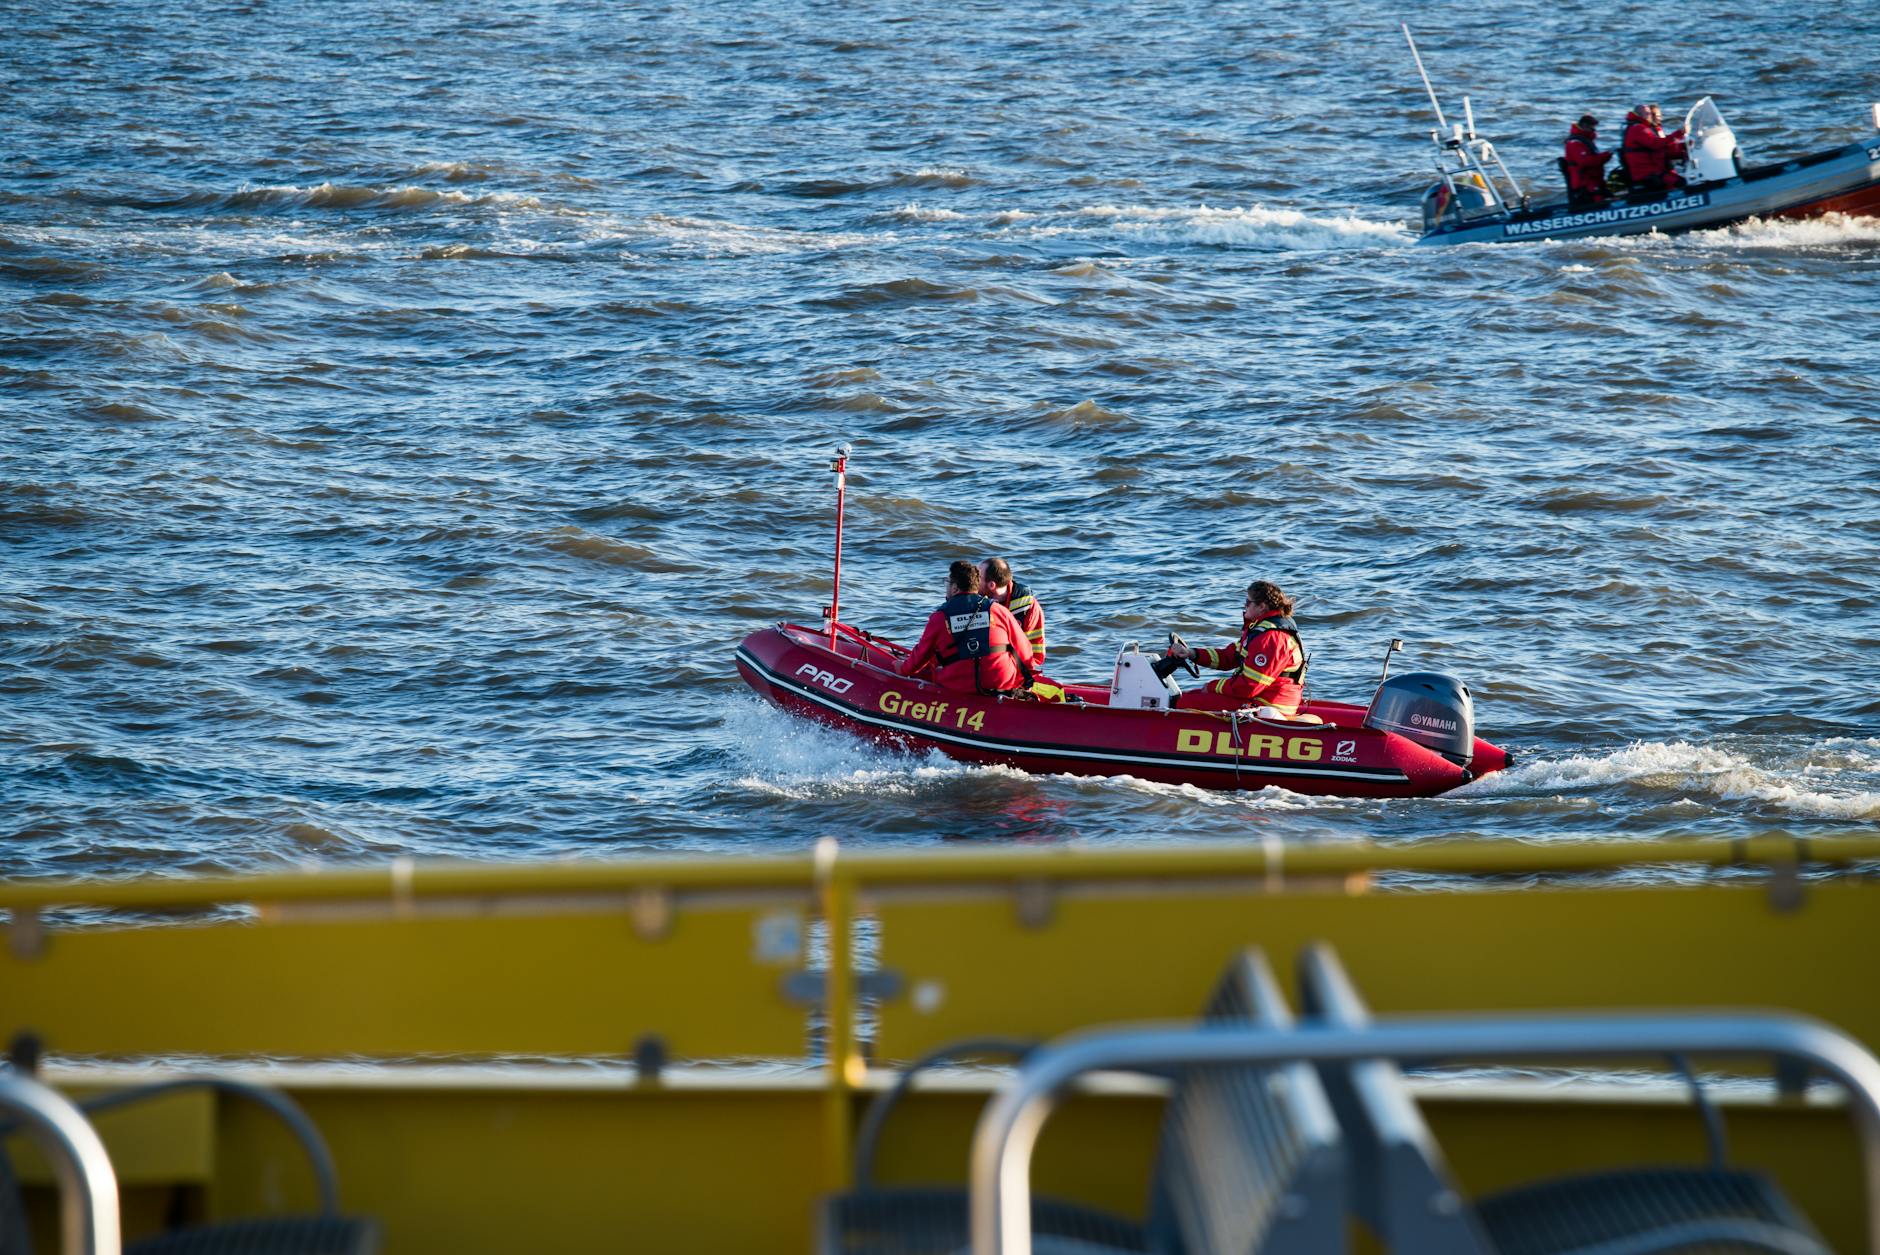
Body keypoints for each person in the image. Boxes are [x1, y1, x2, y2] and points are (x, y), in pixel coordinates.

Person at [1167, 579, 1307, 714]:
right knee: (1193, 695)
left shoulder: (1270, 637)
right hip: (1265, 700)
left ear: (1262, 606)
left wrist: (1212, 686)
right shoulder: (1261, 631)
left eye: (1248, 602)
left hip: (1266, 704)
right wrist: (1191, 653)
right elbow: (1228, 657)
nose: (1244, 605)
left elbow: (1249, 686)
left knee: (1184, 702)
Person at [901, 560, 1038, 695]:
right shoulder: (998, 610)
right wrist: (1027, 680)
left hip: (959, 686)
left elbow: (920, 656)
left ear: (955, 588)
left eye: (947, 583)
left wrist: (902, 668)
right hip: (1001, 681)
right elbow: (1024, 649)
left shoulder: (939, 617)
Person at [978, 557, 1047, 666]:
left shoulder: (1028, 606)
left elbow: (1036, 653)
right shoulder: (976, 601)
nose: (974, 580)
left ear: (991, 585)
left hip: (1017, 669)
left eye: (979, 577)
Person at [1621, 103, 1687, 195]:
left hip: (1654, 170)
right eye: (1647, 113)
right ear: (1639, 114)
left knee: (1677, 180)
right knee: (1680, 182)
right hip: (1646, 173)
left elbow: (1663, 149)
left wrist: (1684, 147)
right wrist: (1679, 133)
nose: (1650, 116)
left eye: (1650, 113)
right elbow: (1656, 144)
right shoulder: (1638, 128)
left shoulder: (1644, 128)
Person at [1562, 115, 1612, 207]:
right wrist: (1605, 156)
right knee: (1598, 204)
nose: (1594, 131)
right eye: (1592, 128)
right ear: (1584, 126)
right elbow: (1585, 162)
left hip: (1593, 180)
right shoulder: (1575, 143)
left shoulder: (1586, 140)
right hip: (1585, 182)